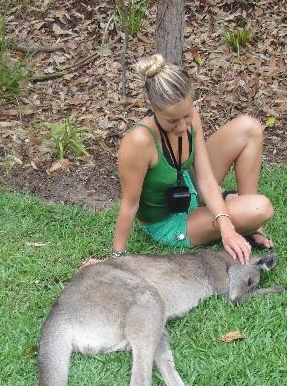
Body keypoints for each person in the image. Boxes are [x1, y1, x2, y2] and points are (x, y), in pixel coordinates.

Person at [111, 54, 274, 265]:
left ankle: (249, 226)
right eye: (172, 121)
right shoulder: (139, 142)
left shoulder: (190, 115)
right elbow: (129, 204)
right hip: (169, 220)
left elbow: (205, 178)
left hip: (190, 186)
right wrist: (115, 258)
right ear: (153, 107)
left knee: (249, 127)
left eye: (186, 116)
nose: (182, 127)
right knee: (260, 208)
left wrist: (227, 227)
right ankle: (242, 214)